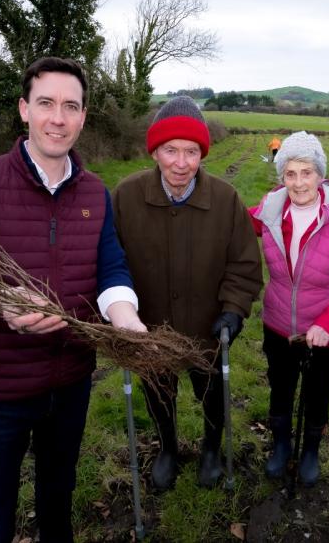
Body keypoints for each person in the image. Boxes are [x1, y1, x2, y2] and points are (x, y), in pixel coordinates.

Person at [0, 56, 147, 543]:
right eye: (46, 103)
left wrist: (125, 318)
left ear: (84, 117)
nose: (58, 118)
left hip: (70, 380)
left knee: (58, 499)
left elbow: (111, 266)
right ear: (24, 109)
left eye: (71, 106)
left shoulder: (95, 192)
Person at [111, 96, 263, 490]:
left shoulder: (226, 200)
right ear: (155, 152)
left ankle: (211, 449)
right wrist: (121, 313)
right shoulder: (126, 197)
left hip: (206, 327)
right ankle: (167, 448)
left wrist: (234, 309)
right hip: (151, 327)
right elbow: (110, 261)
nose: (181, 163)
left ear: (202, 154)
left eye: (191, 151)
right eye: (171, 150)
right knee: (158, 390)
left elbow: (244, 264)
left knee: (211, 390)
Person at [248, 131, 329, 486]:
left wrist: (328, 324)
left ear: (320, 175)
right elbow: (230, 224)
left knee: (318, 392)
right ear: (281, 176)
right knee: (280, 388)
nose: (299, 183)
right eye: (290, 173)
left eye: (307, 172)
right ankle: (281, 446)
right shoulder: (269, 211)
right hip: (278, 324)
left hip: (325, 332)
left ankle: (311, 450)